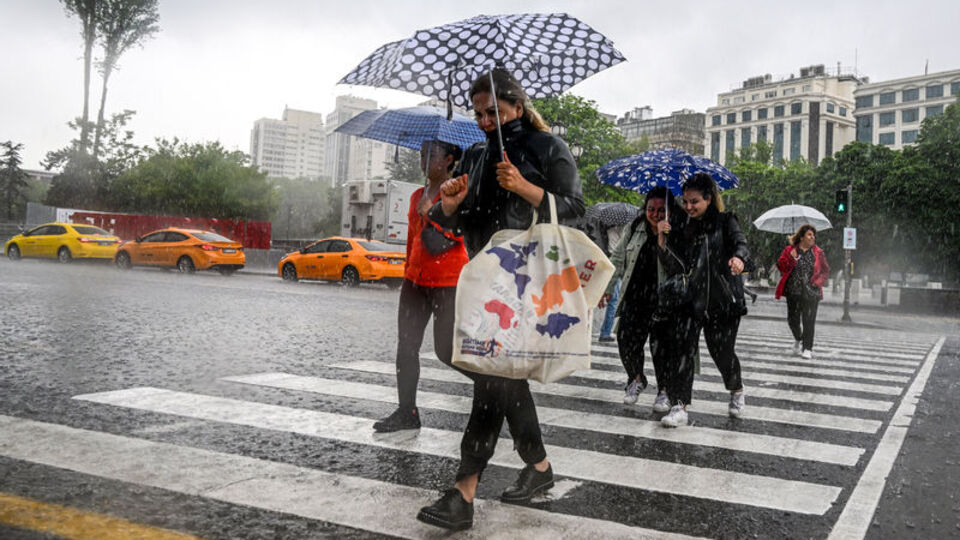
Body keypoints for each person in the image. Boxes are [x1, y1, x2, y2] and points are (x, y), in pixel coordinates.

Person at [416, 68, 584, 531]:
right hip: (483, 279)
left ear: (516, 105)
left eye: (494, 111)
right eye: (479, 114)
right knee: (499, 377)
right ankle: (539, 468)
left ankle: (464, 492)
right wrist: (451, 204)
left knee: (493, 379)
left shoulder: (547, 148)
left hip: (526, 282)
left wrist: (526, 188)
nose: (486, 121)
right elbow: (455, 225)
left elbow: (575, 210)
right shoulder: (473, 154)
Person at [373, 141, 469, 432]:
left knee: (445, 350)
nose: (424, 160)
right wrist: (407, 273)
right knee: (406, 346)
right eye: (421, 154)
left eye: (431, 155)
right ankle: (407, 412)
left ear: (449, 159)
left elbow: (463, 236)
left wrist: (432, 212)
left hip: (448, 282)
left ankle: (494, 385)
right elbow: (413, 238)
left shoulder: (458, 193)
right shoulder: (417, 194)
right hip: (415, 281)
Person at [657, 173, 752, 427]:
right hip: (690, 301)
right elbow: (672, 265)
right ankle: (680, 406)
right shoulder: (682, 227)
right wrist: (663, 237)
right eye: (685, 201)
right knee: (683, 351)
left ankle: (736, 388)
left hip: (722, 302)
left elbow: (742, 245)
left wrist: (739, 259)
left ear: (709, 199)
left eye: (695, 201)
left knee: (721, 353)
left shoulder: (725, 221)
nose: (689, 207)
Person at [599, 187, 675, 411]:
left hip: (663, 300)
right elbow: (618, 257)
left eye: (661, 210)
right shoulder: (634, 227)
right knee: (625, 339)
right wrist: (608, 287)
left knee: (661, 349)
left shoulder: (678, 231)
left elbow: (676, 265)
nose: (655, 214)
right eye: (651, 208)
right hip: (635, 297)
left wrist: (663, 236)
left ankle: (664, 391)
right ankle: (637, 378)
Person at [775, 224, 830, 359]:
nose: (813, 237)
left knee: (809, 320)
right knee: (792, 320)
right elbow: (781, 267)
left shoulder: (818, 252)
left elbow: (825, 270)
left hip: (812, 292)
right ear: (801, 237)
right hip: (793, 291)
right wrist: (792, 258)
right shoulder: (790, 250)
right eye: (809, 235)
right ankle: (798, 338)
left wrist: (818, 283)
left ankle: (807, 348)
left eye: (813, 235)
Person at [597, 223, 625, 342]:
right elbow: (619, 252)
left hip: (604, 263)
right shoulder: (621, 231)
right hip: (614, 267)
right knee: (613, 301)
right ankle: (605, 333)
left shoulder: (606, 230)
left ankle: (605, 331)